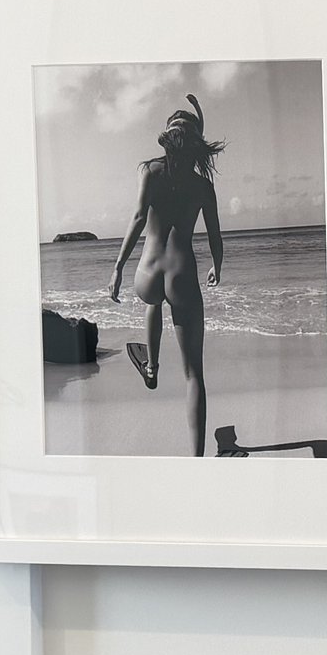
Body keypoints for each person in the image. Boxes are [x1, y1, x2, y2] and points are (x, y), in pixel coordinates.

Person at [109, 95, 226, 455]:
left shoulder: (150, 171)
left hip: (147, 273)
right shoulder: (203, 187)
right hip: (182, 276)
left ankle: (152, 365)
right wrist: (217, 266)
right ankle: (197, 458)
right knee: (194, 376)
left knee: (153, 302)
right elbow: (215, 236)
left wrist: (117, 267)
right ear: (196, 146)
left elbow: (138, 218)